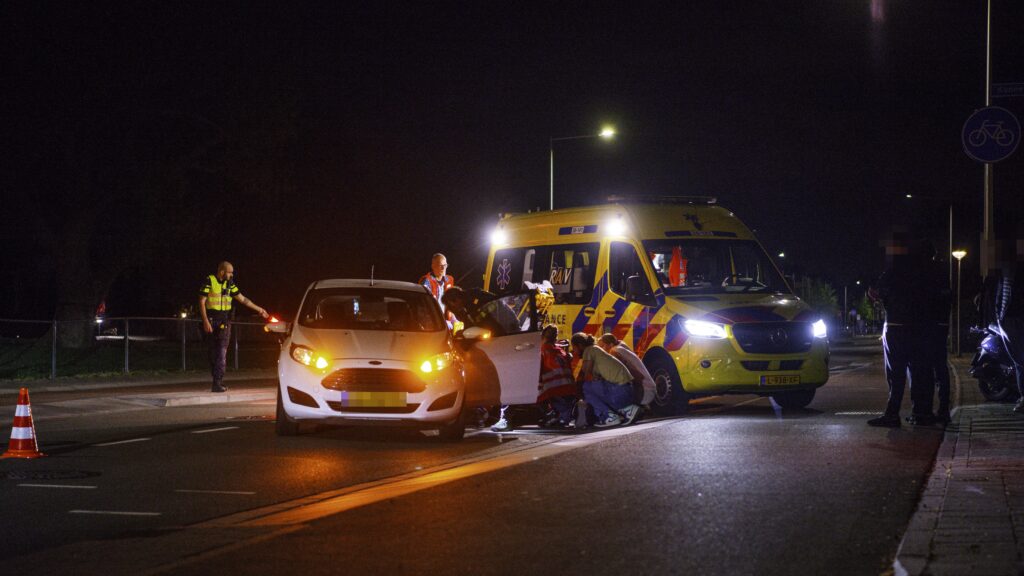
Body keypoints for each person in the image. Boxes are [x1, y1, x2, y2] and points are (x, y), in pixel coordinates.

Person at [867, 236, 940, 427]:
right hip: (923, 327)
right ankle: (922, 412)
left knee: (896, 372)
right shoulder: (931, 271)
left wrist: (875, 296)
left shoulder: (895, 270)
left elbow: (879, 291)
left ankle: (892, 413)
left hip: (896, 326)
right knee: (920, 370)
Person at [199, 261, 269, 393]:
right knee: (213, 353)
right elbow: (201, 301)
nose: (232, 275)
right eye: (230, 272)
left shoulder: (230, 284)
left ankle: (217, 382)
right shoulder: (210, 280)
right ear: (222, 272)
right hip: (211, 319)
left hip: (224, 321)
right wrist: (205, 321)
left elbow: (242, 299)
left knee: (221, 352)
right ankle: (216, 380)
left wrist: (259, 309)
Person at [571, 332, 641, 427]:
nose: (573, 351)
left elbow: (586, 375)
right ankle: (626, 410)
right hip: (627, 389)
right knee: (594, 385)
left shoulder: (589, 350)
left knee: (586, 387)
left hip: (621, 391)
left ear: (580, 345)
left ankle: (610, 416)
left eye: (574, 348)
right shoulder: (595, 350)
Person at [995, 239, 1024, 414]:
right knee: (1019, 360)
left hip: (1010, 319)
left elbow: (1001, 294)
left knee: (1020, 360)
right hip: (1009, 319)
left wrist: (999, 315)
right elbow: (1001, 293)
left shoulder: (1008, 268)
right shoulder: (1008, 268)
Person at [598, 333, 656, 408]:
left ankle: (631, 409)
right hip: (649, 389)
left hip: (644, 392)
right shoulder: (621, 347)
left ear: (611, 344)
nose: (602, 350)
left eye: (602, 346)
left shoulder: (615, 352)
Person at [537, 326, 578, 428]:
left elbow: (538, 370)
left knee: (536, 394)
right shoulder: (561, 351)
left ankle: (553, 415)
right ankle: (559, 416)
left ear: (542, 337)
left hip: (555, 387)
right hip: (570, 387)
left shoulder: (542, 351)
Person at [420, 253, 454, 323]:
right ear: (433, 266)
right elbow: (424, 305)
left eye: (445, 265)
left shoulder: (449, 280)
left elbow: (452, 302)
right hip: (431, 322)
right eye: (440, 266)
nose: (443, 268)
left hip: (445, 321)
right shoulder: (427, 281)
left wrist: (453, 319)